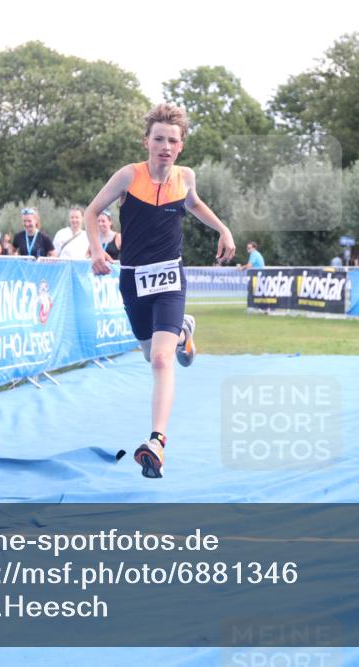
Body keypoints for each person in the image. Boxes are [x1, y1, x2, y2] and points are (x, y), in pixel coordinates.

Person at [85, 102, 236, 478]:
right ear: (146, 142)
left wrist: (223, 229)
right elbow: (91, 212)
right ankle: (183, 332)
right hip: (133, 279)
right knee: (150, 353)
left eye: (172, 140)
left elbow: (194, 204)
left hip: (170, 277)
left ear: (181, 146)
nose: (165, 146)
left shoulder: (186, 177)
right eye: (158, 139)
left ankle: (156, 442)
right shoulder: (128, 176)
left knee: (160, 360)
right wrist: (97, 251)